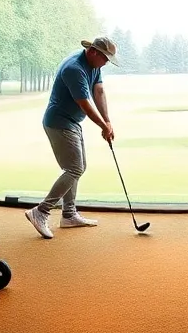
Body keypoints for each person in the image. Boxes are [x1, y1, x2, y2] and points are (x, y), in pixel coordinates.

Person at [25, 37, 118, 239]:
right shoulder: (74, 68)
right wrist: (103, 126)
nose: (107, 62)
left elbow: (99, 91)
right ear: (93, 51)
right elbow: (84, 103)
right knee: (75, 168)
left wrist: (108, 121)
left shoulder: (94, 64)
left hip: (72, 122)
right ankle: (41, 211)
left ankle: (68, 215)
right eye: (105, 58)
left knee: (78, 168)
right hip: (59, 123)